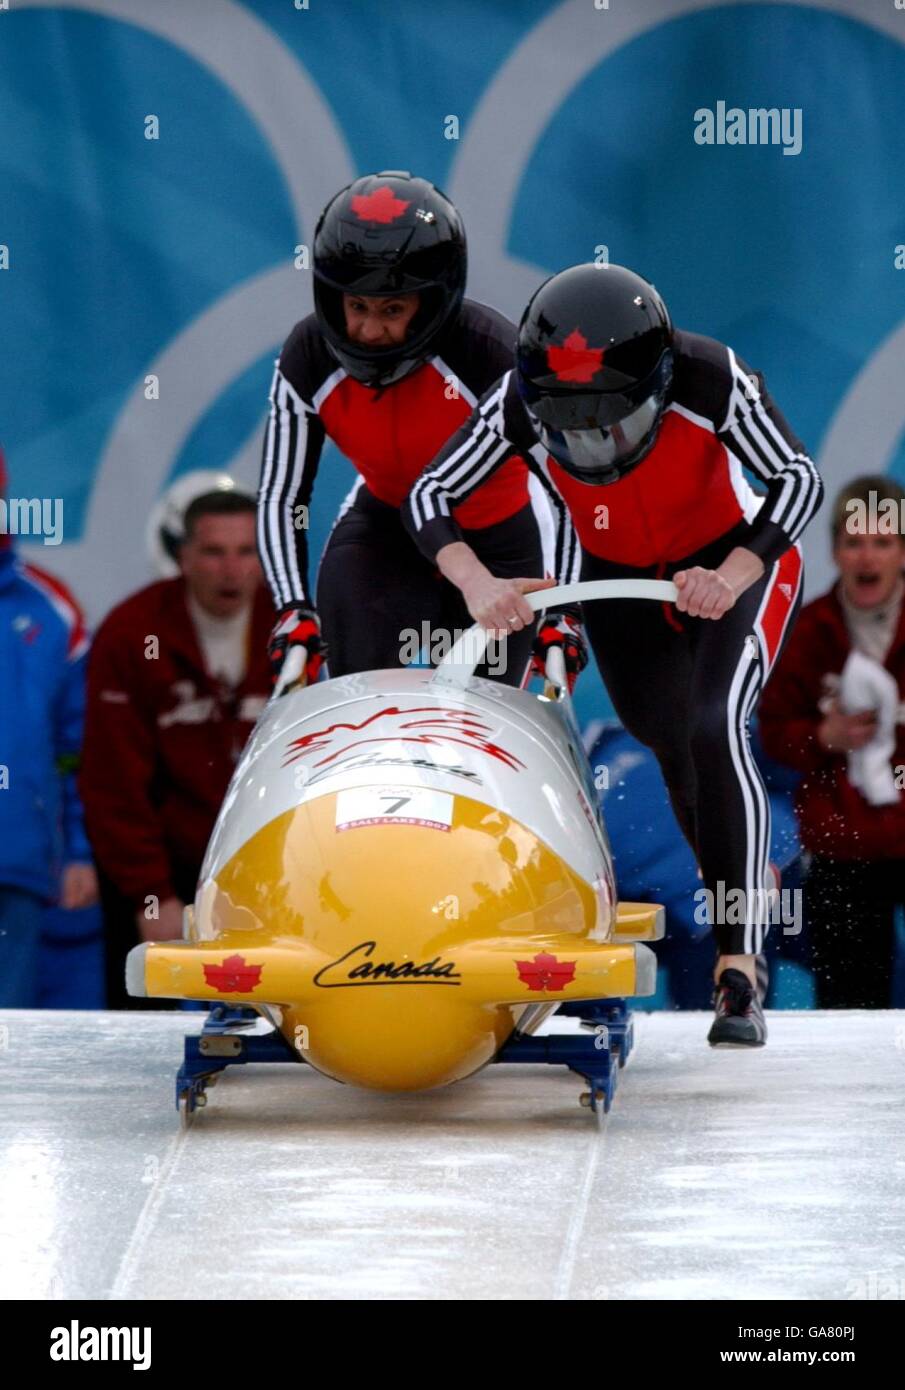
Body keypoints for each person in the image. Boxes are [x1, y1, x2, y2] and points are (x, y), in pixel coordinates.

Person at [403, 262, 824, 1046]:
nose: (592, 443)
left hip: (731, 562)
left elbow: (798, 482)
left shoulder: (711, 377)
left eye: (615, 423)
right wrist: (472, 581)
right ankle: (735, 880)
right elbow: (430, 493)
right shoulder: (518, 402)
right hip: (619, 569)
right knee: (666, 741)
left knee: (711, 723)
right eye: (569, 426)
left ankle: (738, 961)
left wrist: (733, 573)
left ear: (659, 392)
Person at [257, 170, 580, 691]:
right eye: (356, 307)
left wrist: (565, 610)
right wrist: (293, 607)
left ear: (432, 304)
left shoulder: (489, 354)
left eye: (391, 310)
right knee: (359, 693)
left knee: (483, 716)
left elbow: (567, 490)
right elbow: (282, 491)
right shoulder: (308, 355)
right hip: (385, 532)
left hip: (501, 547)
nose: (368, 330)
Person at [80, 487, 273, 1008]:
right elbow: (112, 779)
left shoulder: (294, 628)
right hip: (160, 855)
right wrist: (151, 892)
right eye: (213, 552)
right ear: (183, 557)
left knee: (271, 1018)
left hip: (267, 860)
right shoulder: (132, 633)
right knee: (142, 1019)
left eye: (246, 551)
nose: (231, 569)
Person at [760, 475, 905, 1008]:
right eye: (855, 541)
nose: (868, 557)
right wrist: (822, 735)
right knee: (849, 1007)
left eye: (883, 541)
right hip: (843, 844)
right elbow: (773, 733)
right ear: (835, 550)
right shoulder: (807, 631)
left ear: (903, 551)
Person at [0, 450, 97, 1006]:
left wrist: (79, 852)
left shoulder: (52, 611)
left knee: (10, 1049)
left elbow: (76, 746)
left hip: (18, 865)